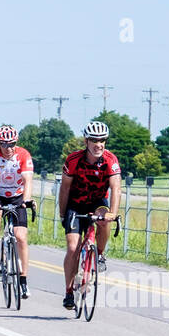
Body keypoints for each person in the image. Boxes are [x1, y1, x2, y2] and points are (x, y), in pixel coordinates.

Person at [59, 120, 121, 309]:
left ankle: (99, 254)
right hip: (76, 204)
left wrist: (113, 213)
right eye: (94, 140)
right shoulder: (73, 160)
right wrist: (63, 215)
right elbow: (65, 188)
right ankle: (69, 292)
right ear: (86, 141)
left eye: (102, 140)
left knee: (105, 219)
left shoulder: (111, 160)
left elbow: (116, 188)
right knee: (72, 248)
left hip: (97, 202)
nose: (99, 144)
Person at [0, 126, 36, 299]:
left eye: (12, 144)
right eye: (5, 145)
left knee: (21, 237)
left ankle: (23, 281)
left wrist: (26, 201)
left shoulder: (24, 155)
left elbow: (28, 180)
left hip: (18, 196)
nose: (9, 148)